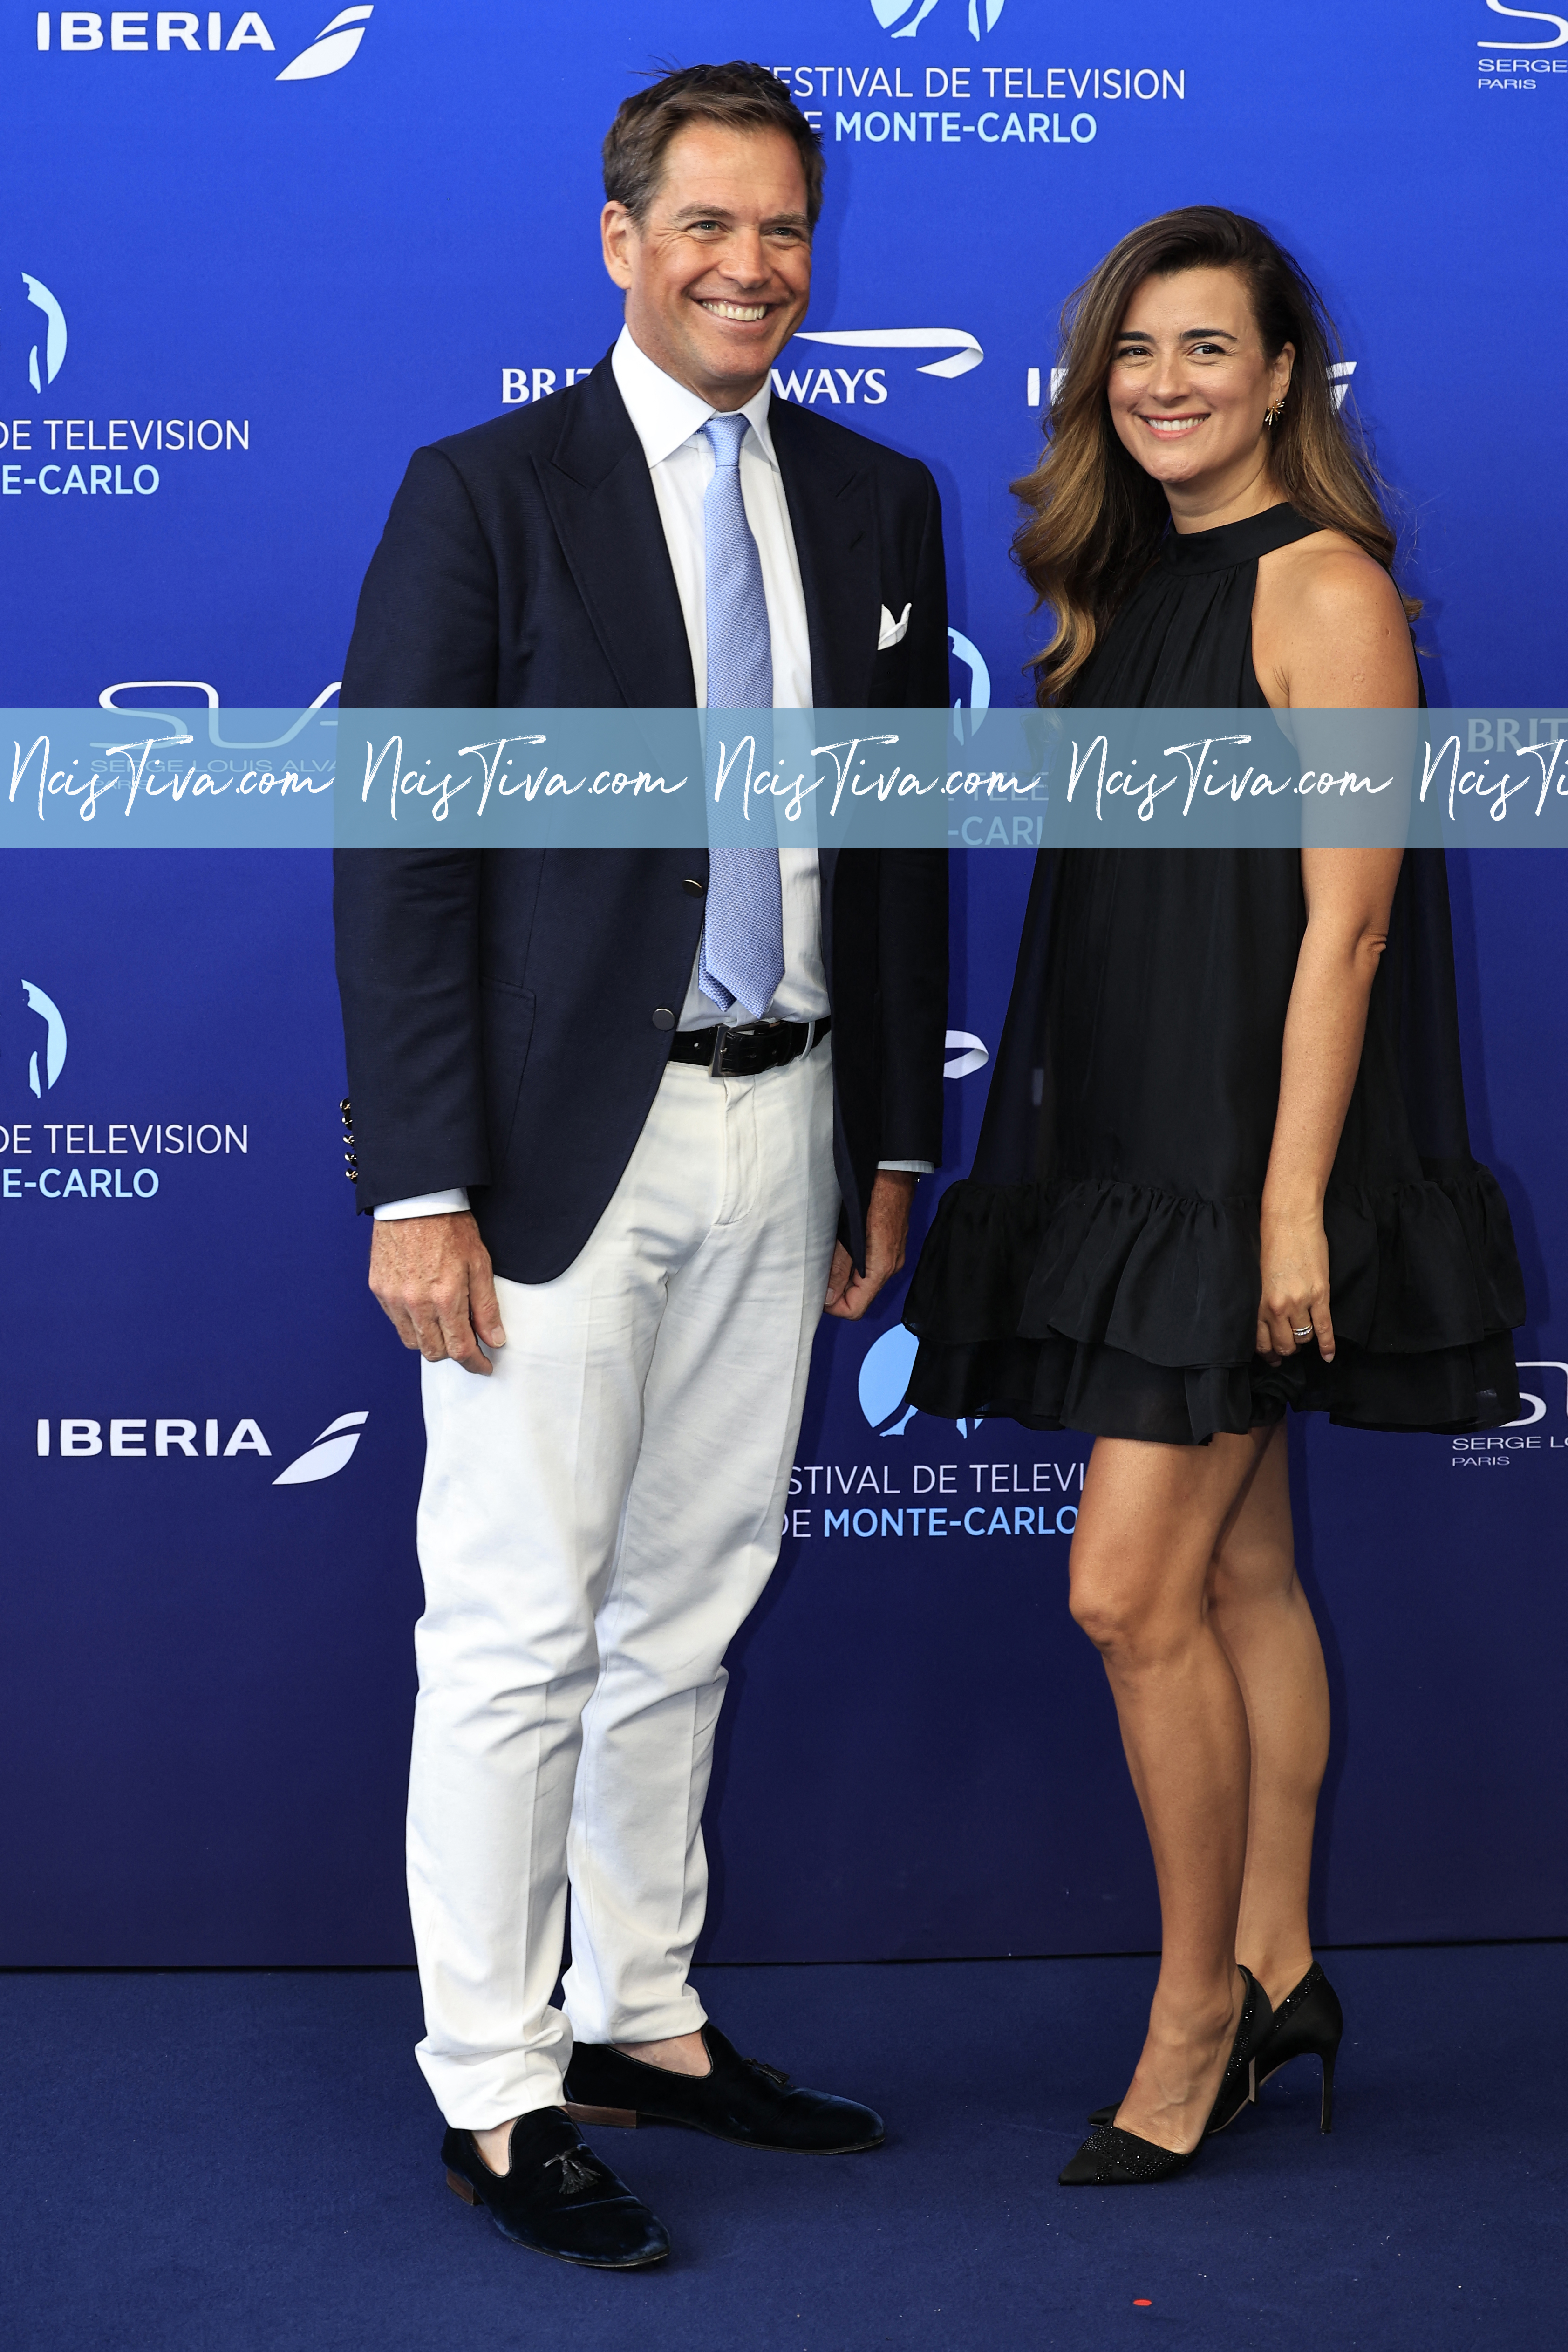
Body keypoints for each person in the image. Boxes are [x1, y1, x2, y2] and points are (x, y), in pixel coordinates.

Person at [334, 63, 949, 2267]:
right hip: (542, 1161)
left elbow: (881, 863)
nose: (748, 268)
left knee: (685, 1609)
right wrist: (416, 1182)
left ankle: (642, 2018)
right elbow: (403, 857)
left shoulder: (876, 505)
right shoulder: (482, 493)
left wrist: (888, 1135)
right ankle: (494, 2087)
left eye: (784, 231)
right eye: (706, 226)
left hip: (785, 1131)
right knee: (513, 1628)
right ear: (619, 242)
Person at [903, 207, 1524, 2187]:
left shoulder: (1321, 586)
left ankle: (1192, 2024)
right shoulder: (1121, 589)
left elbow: (1344, 935)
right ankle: (1278, 1967)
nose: (1165, 382)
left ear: (1278, 382)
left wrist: (1283, 1213)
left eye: (1207, 350)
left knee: (1124, 1592)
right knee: (1239, 1577)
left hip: (1242, 1171)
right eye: (1132, 351)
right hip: (1127, 1153)